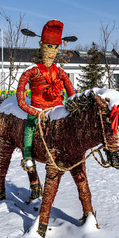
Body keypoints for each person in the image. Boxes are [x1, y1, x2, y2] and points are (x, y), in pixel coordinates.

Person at [17, 20, 76, 172]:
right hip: (38, 109)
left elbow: (71, 92)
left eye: (55, 47)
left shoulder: (59, 71)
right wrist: (35, 112)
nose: (52, 51)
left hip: (57, 108)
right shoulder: (32, 71)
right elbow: (21, 100)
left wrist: (74, 106)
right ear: (41, 45)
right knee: (29, 127)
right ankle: (28, 156)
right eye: (49, 46)